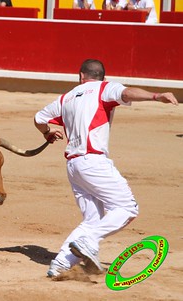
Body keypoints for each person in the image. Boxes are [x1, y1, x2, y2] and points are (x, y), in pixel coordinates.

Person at [34, 59, 178, 278]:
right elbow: (128, 93)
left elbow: (39, 118)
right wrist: (156, 96)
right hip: (93, 161)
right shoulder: (104, 88)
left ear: (81, 75)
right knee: (127, 208)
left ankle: (61, 264)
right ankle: (88, 241)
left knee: (92, 219)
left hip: (73, 166)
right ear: (102, 75)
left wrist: (47, 133)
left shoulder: (66, 98)